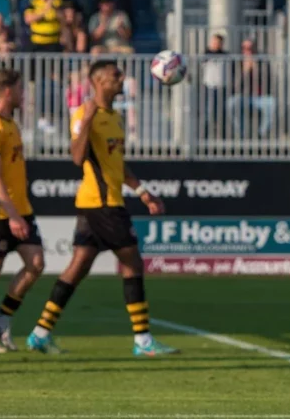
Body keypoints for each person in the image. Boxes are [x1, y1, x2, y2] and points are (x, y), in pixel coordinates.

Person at [26, 61, 177, 356]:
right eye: (114, 76)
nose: (121, 79)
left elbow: (117, 164)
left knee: (78, 266)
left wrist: (143, 192)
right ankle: (143, 341)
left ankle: (40, 333)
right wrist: (87, 121)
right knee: (132, 263)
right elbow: (77, 156)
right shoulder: (85, 114)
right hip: (102, 204)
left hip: (100, 204)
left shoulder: (116, 118)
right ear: (98, 82)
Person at [0, 69, 45, 353]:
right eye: (20, 89)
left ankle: (0, 319)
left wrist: (19, 211)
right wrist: (12, 215)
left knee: (35, 263)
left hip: (20, 208)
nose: (23, 94)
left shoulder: (9, 123)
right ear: (8, 91)